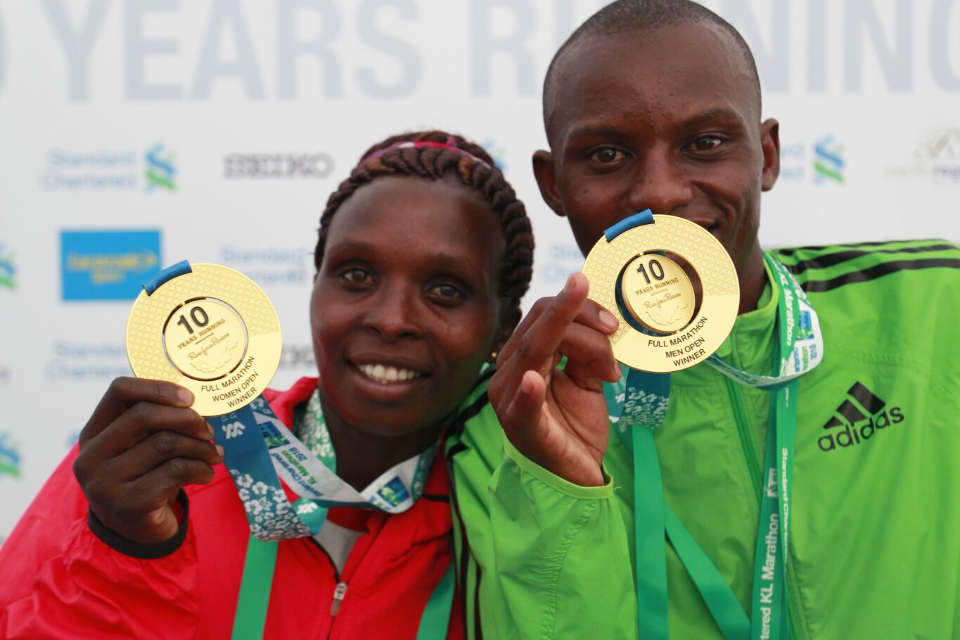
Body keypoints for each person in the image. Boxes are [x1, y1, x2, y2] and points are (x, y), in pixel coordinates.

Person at [446, 1, 960, 639]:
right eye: (607, 155)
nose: (660, 192)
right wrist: (560, 485)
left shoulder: (938, 307)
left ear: (766, 156)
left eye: (705, 143)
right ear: (554, 185)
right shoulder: (510, 418)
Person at [0, 130, 534, 639]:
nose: (392, 319)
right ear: (316, 283)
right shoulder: (154, 466)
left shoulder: (521, 515)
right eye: (356, 275)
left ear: (502, 328)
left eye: (445, 289)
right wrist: (122, 549)